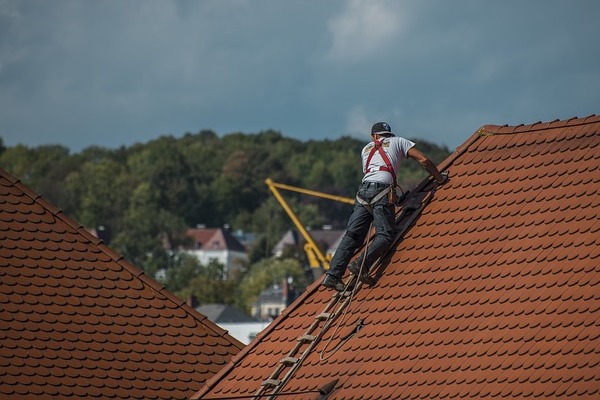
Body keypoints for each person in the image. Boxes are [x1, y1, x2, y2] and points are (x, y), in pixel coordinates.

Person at [321, 121, 447, 291]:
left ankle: (333, 275)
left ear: (374, 136)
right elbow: (423, 160)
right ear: (388, 134)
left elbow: (373, 172)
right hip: (382, 192)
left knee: (352, 236)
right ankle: (361, 264)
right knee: (386, 234)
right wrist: (439, 178)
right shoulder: (399, 141)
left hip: (363, 193)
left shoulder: (365, 149)